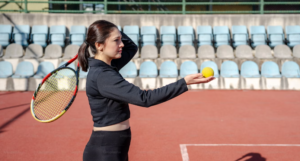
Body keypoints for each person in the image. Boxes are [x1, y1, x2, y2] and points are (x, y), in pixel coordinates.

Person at [79, 20, 215, 161]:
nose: (122, 44)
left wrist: (113, 28)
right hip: (105, 150)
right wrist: (184, 83)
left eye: (121, 39)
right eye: (116, 40)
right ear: (99, 45)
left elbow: (131, 47)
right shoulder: (103, 75)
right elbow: (145, 98)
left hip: (114, 147)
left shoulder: (107, 67)